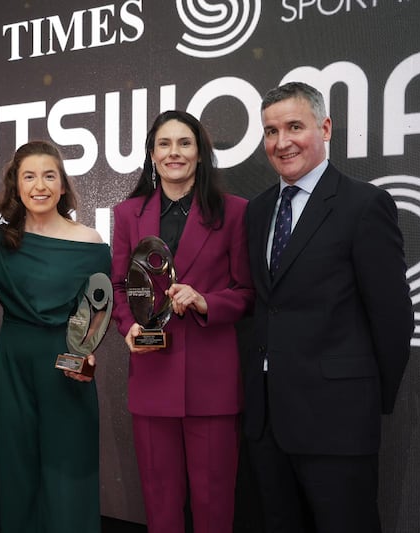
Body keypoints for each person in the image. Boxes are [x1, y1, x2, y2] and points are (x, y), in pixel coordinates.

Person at [244, 81, 413, 533]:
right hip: (268, 423)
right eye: (271, 131)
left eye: (294, 126)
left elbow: (393, 317)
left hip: (338, 420)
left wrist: (365, 400)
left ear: (326, 127)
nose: (282, 142)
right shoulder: (258, 211)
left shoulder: (364, 204)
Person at [110, 110, 255, 533]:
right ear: (152, 155)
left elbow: (248, 294)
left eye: (185, 143)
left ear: (200, 153)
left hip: (212, 382)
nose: (174, 152)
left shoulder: (235, 212)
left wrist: (206, 301)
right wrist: (127, 326)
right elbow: (120, 287)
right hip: (152, 375)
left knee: (214, 505)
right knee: (160, 504)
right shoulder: (127, 214)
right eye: (164, 144)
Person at [0, 140, 111, 533]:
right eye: (29, 176)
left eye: (49, 175)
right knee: (15, 471)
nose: (40, 185)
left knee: (68, 473)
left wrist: (88, 359)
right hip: (12, 367)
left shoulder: (91, 243)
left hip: (67, 369)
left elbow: (97, 313)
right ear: (15, 186)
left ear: (62, 184)